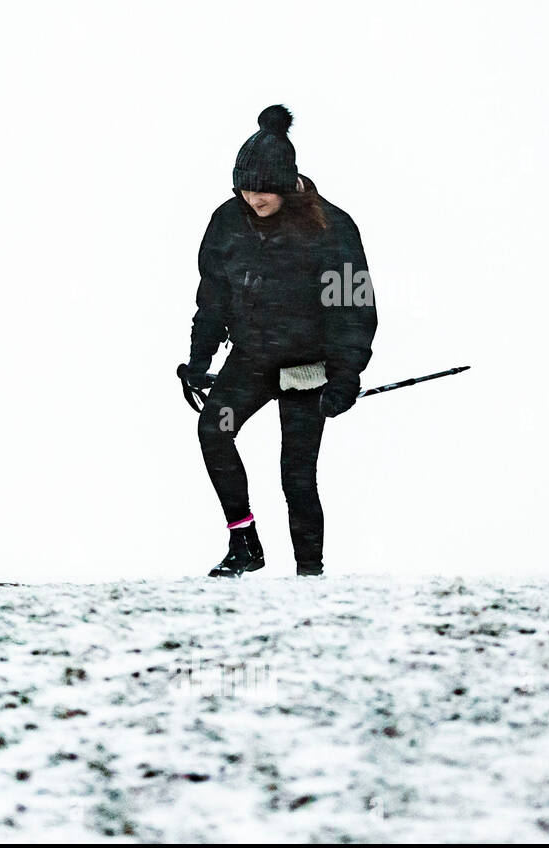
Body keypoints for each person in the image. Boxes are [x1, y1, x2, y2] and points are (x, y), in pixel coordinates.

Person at [185, 104, 377, 577]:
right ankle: (244, 542)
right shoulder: (226, 222)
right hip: (250, 362)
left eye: (264, 188)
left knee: (296, 473)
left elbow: (353, 309)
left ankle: (309, 573)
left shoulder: (331, 228)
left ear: (288, 182)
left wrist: (346, 375)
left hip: (306, 370)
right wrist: (198, 359)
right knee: (215, 429)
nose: (254, 197)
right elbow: (211, 299)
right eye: (245, 188)